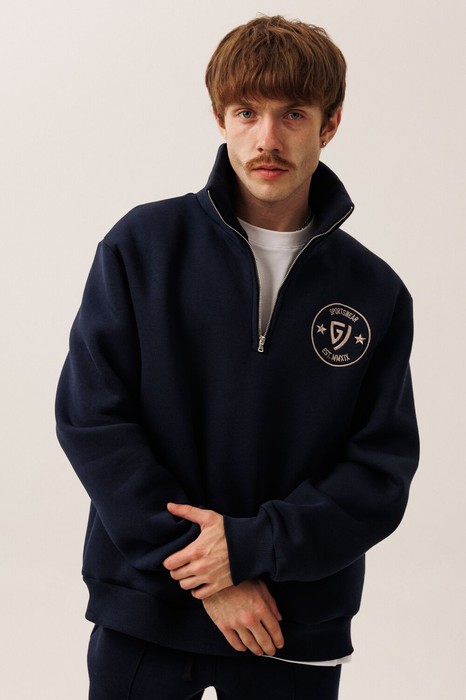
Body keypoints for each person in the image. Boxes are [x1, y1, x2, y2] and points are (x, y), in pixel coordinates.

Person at [56, 15, 419, 700]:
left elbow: (379, 474)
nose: (267, 139)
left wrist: (253, 548)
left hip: (289, 627)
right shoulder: (142, 247)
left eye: (293, 114)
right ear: (220, 118)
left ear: (330, 124)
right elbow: (93, 421)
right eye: (247, 112)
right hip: (147, 615)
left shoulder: (374, 292)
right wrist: (208, 573)